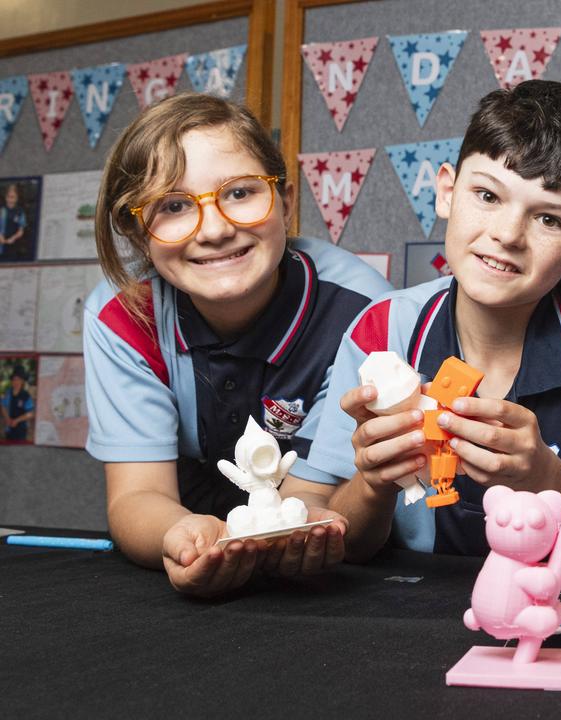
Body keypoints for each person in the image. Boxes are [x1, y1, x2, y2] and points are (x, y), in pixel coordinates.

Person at [305, 80, 561, 565]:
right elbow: (338, 539)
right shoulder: (381, 329)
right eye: (487, 196)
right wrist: (373, 482)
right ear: (447, 193)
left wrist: (543, 475)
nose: (506, 234)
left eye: (550, 220)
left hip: (546, 606)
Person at [84, 93, 391, 597]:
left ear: (286, 201)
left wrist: (293, 528)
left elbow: (314, 496)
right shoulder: (121, 317)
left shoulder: (363, 313)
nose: (217, 230)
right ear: (137, 234)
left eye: (241, 193)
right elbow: (138, 494)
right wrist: (179, 535)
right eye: (175, 206)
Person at [2, 365, 34, 442]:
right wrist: (7, 418)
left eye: (18, 379)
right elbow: (3, 406)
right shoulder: (8, 392)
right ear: (12, 381)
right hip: (9, 429)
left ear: (22, 381)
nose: (16, 382)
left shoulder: (26, 395)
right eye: (14, 379)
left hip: (21, 430)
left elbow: (30, 413)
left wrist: (16, 420)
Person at [0, 183, 26, 257]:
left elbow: (21, 231)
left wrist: (13, 238)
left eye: (13, 197)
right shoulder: (1, 210)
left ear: (17, 198)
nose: (10, 199)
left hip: (13, 245)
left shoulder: (20, 211)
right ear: (6, 197)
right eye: (9, 197)